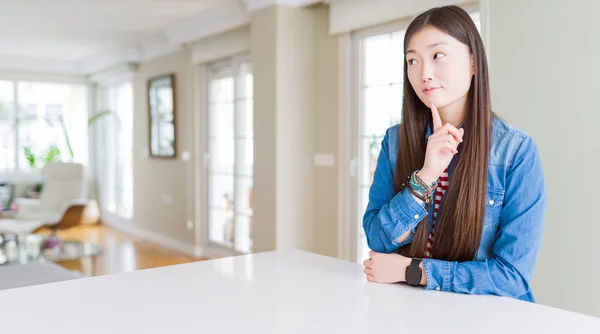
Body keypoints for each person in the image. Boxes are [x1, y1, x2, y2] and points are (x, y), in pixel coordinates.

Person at [361, 5, 546, 302]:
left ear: (473, 62)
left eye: (438, 56)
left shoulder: (516, 153)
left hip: (488, 318)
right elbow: (378, 240)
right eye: (412, 60)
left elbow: (512, 277)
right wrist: (426, 176)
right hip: (411, 311)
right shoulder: (395, 141)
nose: (424, 73)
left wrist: (414, 271)